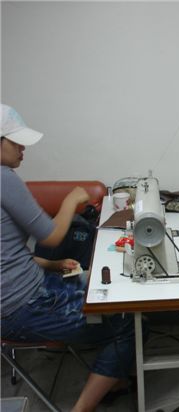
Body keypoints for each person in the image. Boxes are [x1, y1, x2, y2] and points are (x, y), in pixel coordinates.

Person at [1, 104, 136, 412]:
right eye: (16, 142)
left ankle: (113, 378)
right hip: (23, 307)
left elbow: (8, 256)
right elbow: (50, 236)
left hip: (19, 299)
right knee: (126, 321)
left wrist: (52, 264)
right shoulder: (4, 179)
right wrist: (71, 200)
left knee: (106, 293)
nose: (23, 149)